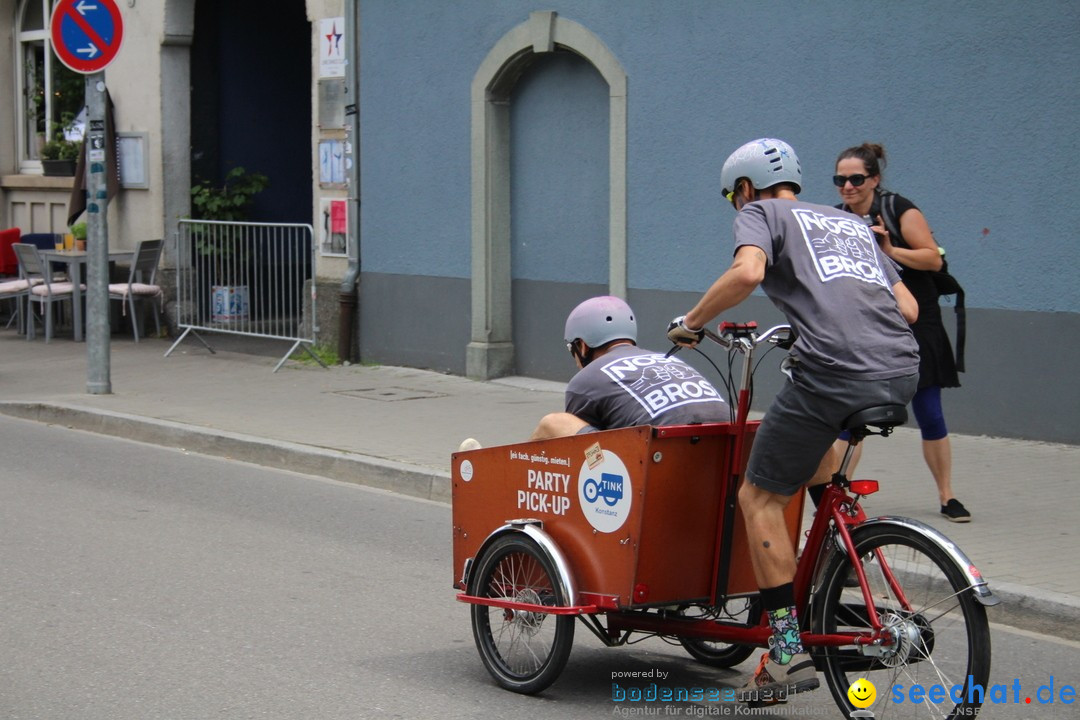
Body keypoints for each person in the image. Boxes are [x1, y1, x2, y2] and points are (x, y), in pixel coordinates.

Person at [666, 138, 919, 703]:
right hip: (901, 369)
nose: (737, 206)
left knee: (757, 498)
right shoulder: (848, 224)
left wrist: (691, 320)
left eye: (735, 196)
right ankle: (840, 541)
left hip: (834, 373)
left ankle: (783, 649)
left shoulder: (761, 212)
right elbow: (909, 309)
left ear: (747, 188)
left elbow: (747, 273)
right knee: (817, 450)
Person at [833, 143, 969, 523]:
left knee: (929, 411)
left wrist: (889, 249)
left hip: (916, 321)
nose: (848, 186)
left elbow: (932, 257)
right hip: (869, 322)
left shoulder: (899, 210)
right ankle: (839, 492)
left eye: (856, 179)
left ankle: (947, 496)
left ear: (874, 179)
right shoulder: (837, 218)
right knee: (852, 414)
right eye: (840, 179)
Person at [529, 295, 728, 440]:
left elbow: (575, 450)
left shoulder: (585, 379)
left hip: (657, 461)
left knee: (554, 424)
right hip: (727, 453)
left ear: (582, 345)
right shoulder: (667, 360)